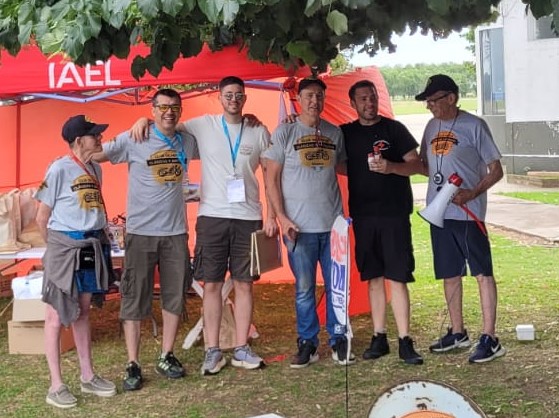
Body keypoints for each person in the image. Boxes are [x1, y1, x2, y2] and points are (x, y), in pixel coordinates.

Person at [131, 76, 277, 376]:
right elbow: (168, 124)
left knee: (244, 283)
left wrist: (273, 215)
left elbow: (270, 176)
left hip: (248, 216)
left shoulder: (258, 130)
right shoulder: (203, 125)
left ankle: (241, 347)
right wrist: (143, 119)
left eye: (238, 95)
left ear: (245, 98)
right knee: (211, 284)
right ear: (219, 97)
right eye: (228, 94)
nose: (233, 99)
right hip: (212, 216)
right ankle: (213, 350)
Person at [93, 89, 198, 390]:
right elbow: (98, 154)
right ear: (152, 110)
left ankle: (167, 355)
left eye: (174, 107)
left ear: (180, 110)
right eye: (162, 107)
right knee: (134, 296)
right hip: (140, 232)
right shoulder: (135, 138)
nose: (169, 112)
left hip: (175, 232)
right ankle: (133, 363)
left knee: (174, 294)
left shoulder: (187, 141)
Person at [415, 74, 506, 363]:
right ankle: (458, 332)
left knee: (482, 273)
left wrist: (471, 193)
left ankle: (490, 337)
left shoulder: (475, 126)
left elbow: (496, 170)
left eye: (433, 100)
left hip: (469, 214)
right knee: (449, 273)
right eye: (427, 101)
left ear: (451, 98)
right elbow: (425, 165)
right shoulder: (431, 127)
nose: (429, 106)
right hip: (440, 213)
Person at [264, 78, 354, 368]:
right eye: (308, 96)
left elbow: (343, 166)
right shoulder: (285, 131)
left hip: (333, 226)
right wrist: (281, 217)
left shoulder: (334, 132)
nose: (314, 101)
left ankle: (339, 338)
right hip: (298, 228)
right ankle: (308, 343)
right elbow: (271, 177)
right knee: (304, 289)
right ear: (299, 99)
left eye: (319, 96)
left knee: (336, 287)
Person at [341, 80, 424, 365]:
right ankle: (379, 337)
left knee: (398, 276)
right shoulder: (346, 133)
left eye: (373, 97)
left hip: (394, 215)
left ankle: (405, 340)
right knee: (373, 276)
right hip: (363, 216)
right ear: (353, 103)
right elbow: (335, 159)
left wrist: (391, 167)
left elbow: (417, 165)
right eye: (363, 99)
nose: (369, 103)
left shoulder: (394, 129)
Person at [36, 115, 116, 408]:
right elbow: (41, 217)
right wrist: (56, 249)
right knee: (55, 316)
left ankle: (87, 375)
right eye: (95, 135)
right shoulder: (58, 168)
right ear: (80, 140)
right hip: (65, 247)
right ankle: (56, 385)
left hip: (90, 245)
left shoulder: (95, 168)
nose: (100, 138)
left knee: (82, 312)